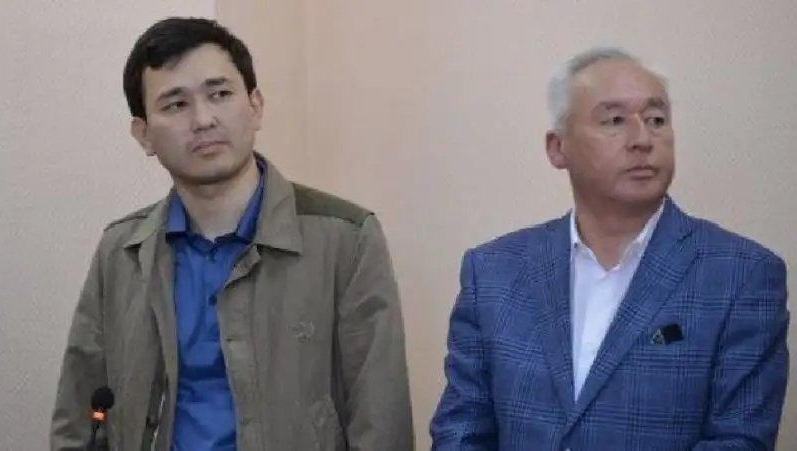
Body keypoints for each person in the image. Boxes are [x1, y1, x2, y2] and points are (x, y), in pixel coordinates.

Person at [50, 16, 414, 451]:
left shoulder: (346, 240)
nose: (203, 119)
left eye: (219, 94)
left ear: (255, 106)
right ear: (144, 134)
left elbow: (381, 423)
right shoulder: (121, 252)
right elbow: (78, 419)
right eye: (175, 105)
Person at [430, 46, 790, 450]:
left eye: (656, 120)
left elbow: (739, 441)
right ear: (557, 148)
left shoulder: (742, 275)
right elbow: (461, 431)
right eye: (615, 120)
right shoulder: (493, 272)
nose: (642, 139)